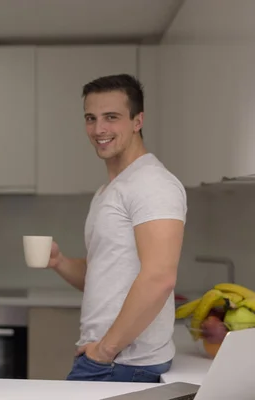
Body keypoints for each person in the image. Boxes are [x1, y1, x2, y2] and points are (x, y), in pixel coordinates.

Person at [48, 74, 187, 383]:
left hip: (123, 363)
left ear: (138, 120)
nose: (99, 129)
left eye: (111, 117)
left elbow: (160, 277)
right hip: (108, 359)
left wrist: (104, 351)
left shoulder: (152, 184)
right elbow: (105, 275)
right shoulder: (110, 190)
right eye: (91, 118)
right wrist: (59, 262)